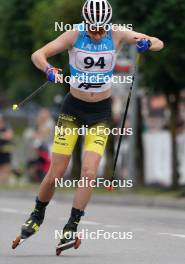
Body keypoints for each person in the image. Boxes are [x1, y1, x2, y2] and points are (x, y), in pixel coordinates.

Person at [14, 0, 164, 252]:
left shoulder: (117, 33)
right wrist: (48, 69)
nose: (96, 34)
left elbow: (159, 42)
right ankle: (37, 214)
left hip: (100, 113)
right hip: (73, 110)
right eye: (92, 29)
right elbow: (37, 55)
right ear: (85, 24)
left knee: (89, 173)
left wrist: (147, 42)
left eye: (100, 29)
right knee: (57, 173)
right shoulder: (74, 33)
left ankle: (71, 226)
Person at [0, 114, 14, 184]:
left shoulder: (6, 127)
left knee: (5, 171)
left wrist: (2, 135)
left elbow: (9, 135)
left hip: (5, 153)